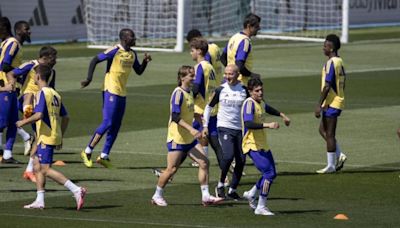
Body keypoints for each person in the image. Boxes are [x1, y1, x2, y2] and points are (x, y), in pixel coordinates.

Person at [16, 64, 86, 210]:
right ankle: (39, 200)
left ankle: (76, 190)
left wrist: (22, 122)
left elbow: (39, 115)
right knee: (36, 164)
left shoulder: (42, 93)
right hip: (48, 135)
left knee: (45, 169)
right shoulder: (55, 94)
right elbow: (65, 117)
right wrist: (61, 136)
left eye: (34, 75)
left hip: (47, 136)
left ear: (38, 76)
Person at [151, 66, 223, 207]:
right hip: (177, 139)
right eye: (191, 76)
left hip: (189, 140)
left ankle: (206, 196)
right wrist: (192, 129)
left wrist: (200, 121)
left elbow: (190, 112)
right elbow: (176, 117)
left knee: (204, 162)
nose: (194, 78)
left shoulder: (189, 92)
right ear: (182, 77)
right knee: (171, 170)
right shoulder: (178, 93)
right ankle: (157, 195)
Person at [80, 28, 152, 168]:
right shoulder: (114, 51)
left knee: (116, 125)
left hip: (122, 92)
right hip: (110, 90)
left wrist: (145, 62)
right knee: (107, 122)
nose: (135, 39)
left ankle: (104, 156)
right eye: (132, 37)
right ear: (124, 39)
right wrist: (89, 78)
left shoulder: (132, 53)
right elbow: (95, 59)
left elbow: (139, 71)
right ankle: (87, 151)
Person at [7, 46, 57, 182]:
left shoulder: (51, 72)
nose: (56, 61)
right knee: (29, 95)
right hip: (26, 103)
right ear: (45, 58)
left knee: (38, 136)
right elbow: (11, 73)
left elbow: (50, 90)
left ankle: (30, 169)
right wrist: (12, 85)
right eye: (54, 58)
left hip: (39, 106)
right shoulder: (31, 64)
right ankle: (32, 167)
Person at [241, 78, 290, 216]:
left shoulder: (259, 102)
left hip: (262, 143)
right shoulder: (249, 104)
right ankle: (261, 206)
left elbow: (267, 108)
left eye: (261, 89)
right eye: (257, 91)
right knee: (269, 173)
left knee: (271, 173)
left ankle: (251, 193)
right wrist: (268, 125)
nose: (260, 92)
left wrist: (282, 115)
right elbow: (249, 123)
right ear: (250, 92)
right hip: (252, 144)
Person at [202, 64, 248, 200]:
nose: (227, 76)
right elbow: (208, 107)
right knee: (228, 156)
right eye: (226, 74)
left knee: (241, 160)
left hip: (240, 129)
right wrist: (205, 126)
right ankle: (221, 185)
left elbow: (253, 105)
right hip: (224, 127)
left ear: (237, 74)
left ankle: (232, 189)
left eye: (231, 74)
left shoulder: (244, 90)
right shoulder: (220, 90)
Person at [186, 29, 224, 168]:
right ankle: (225, 175)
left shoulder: (201, 67)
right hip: (211, 110)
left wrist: (187, 98)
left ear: (199, 51)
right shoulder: (210, 66)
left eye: (192, 50)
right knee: (216, 145)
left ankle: (170, 171)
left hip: (200, 112)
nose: (190, 53)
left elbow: (196, 88)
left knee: (183, 139)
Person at [0, 17, 33, 164]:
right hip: (6, 87)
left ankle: (7, 154)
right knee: (3, 121)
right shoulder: (13, 43)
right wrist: (22, 71)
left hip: (11, 88)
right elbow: (5, 65)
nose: (29, 32)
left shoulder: (7, 43)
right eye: (26, 29)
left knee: (13, 122)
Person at [314, 34, 347, 174]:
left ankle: (331, 165)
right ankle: (339, 154)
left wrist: (319, 104)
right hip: (336, 100)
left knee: (330, 134)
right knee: (323, 130)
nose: (323, 48)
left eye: (325, 46)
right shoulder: (340, 61)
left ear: (331, 47)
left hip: (332, 102)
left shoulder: (331, 63)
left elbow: (327, 86)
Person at [221, 13, 261, 86]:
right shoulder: (245, 41)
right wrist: (252, 75)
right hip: (239, 83)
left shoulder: (234, 37)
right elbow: (239, 65)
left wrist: (229, 73)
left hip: (228, 81)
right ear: (249, 26)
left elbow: (222, 58)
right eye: (257, 26)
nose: (259, 28)